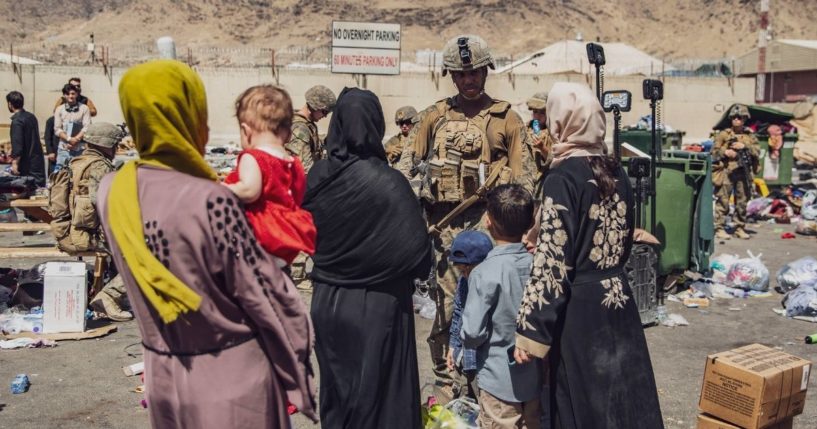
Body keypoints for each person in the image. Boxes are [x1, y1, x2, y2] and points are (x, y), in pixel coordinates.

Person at [97, 60, 316, 428]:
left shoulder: (113, 191)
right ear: (189, 116)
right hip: (232, 381)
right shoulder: (210, 197)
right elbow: (268, 296)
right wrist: (299, 371)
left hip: (164, 376)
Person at [513, 83, 664, 429]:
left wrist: (532, 330)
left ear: (560, 121)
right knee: (622, 398)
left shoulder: (561, 177)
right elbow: (623, 238)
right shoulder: (616, 170)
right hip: (618, 300)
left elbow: (553, 261)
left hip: (580, 311)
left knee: (580, 402)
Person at [401, 34, 533, 390]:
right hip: (444, 230)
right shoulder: (433, 118)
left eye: (474, 72)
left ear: (486, 71)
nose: (468, 79)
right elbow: (405, 172)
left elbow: (526, 181)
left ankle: (488, 381)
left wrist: (523, 231)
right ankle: (448, 384)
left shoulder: (507, 119)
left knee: (494, 306)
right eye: (460, 74)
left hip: (494, 230)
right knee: (447, 307)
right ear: (451, 76)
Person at [303, 87, 431, 429]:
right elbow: (419, 256)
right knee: (382, 396)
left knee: (339, 393)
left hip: (327, 302)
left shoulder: (316, 177)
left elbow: (306, 234)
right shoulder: (390, 183)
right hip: (381, 305)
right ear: (376, 124)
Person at [462, 184, 541, 429]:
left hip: (497, 379)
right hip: (535, 378)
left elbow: (473, 332)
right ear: (530, 223)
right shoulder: (538, 265)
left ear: (488, 221)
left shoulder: (484, 272)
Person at [223, 85, 316, 268]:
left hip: (259, 237)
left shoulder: (254, 158)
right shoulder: (293, 163)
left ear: (246, 131)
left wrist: (221, 188)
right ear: (289, 134)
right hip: (285, 239)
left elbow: (249, 190)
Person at [59, 122, 132, 321]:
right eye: (114, 144)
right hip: (89, 236)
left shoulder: (76, 161)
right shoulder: (99, 165)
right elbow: (102, 202)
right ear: (104, 144)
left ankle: (118, 294)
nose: (116, 149)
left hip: (71, 231)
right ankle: (109, 297)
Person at [286, 84, 336, 288]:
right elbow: (304, 165)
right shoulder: (299, 128)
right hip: (297, 189)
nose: (324, 116)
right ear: (315, 106)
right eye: (324, 111)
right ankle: (296, 276)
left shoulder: (307, 125)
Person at [445, 230, 493, 400]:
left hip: (484, 365)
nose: (465, 275)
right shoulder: (464, 282)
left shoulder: (492, 285)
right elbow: (458, 312)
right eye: (461, 271)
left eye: (468, 270)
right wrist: (452, 346)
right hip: (464, 357)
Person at [712, 104, 760, 240]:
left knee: (742, 201)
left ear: (744, 119)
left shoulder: (750, 136)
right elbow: (713, 152)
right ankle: (719, 228)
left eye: (739, 118)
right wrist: (725, 152)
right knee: (723, 200)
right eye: (734, 117)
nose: (736, 120)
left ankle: (739, 227)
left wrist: (744, 146)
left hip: (743, 172)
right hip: (726, 171)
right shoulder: (723, 134)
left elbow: (757, 152)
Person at [6, 91, 45, 187]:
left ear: (10, 104)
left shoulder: (17, 121)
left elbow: (18, 145)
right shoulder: (31, 117)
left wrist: (15, 164)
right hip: (37, 163)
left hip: (26, 167)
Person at [53, 83, 92, 171]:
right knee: (60, 173)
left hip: (79, 149)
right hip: (64, 148)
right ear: (64, 95)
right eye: (68, 94)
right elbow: (57, 129)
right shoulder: (59, 109)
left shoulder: (84, 108)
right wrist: (69, 139)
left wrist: (75, 139)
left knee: (79, 173)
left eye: (73, 94)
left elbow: (87, 127)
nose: (70, 96)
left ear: (77, 94)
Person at [526, 91, 555, 193]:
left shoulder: (553, 133)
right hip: (527, 180)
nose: (537, 116)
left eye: (542, 113)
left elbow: (553, 160)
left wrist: (542, 148)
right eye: (535, 112)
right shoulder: (526, 129)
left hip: (544, 183)